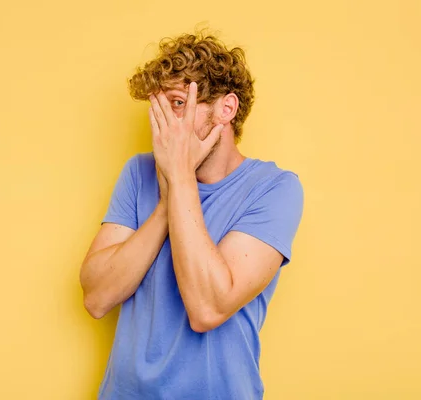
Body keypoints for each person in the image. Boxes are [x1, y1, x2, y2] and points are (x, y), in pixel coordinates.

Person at [80, 31, 304, 400]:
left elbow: (208, 308)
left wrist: (180, 175)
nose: (165, 124)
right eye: (161, 109)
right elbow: (96, 298)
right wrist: (167, 203)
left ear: (226, 109)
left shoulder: (275, 188)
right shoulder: (138, 173)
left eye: (179, 103)